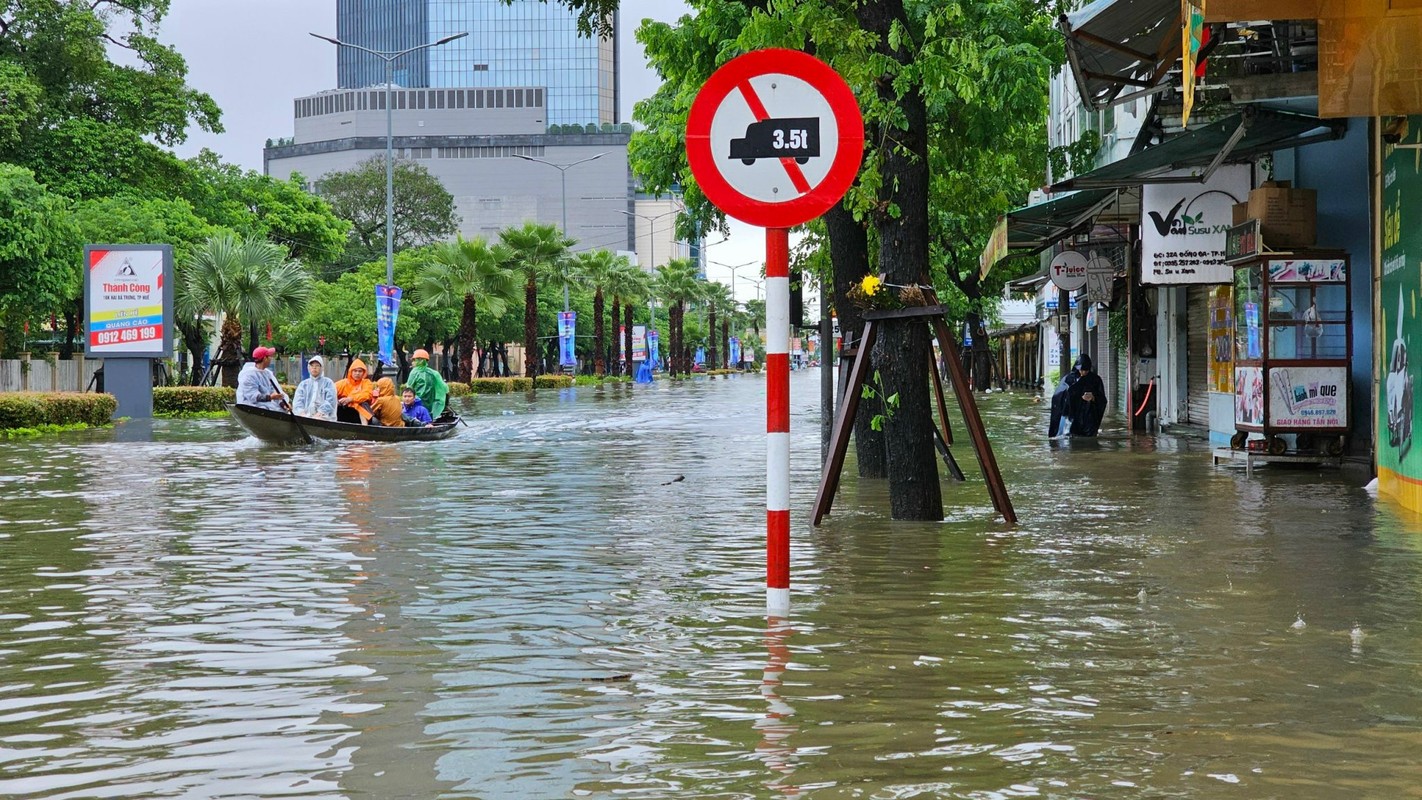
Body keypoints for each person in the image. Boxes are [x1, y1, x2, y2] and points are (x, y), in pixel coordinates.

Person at [237, 346, 289, 412]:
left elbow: (275, 391)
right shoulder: (248, 375)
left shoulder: (268, 374)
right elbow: (252, 396)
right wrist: (270, 397)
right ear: (265, 358)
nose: (271, 358)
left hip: (267, 406)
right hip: (252, 408)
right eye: (269, 356)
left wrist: (283, 404)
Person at [1066, 355, 1108, 437]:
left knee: (1090, 438)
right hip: (1075, 415)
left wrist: (1093, 398)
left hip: (1090, 415)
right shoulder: (1070, 379)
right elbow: (1064, 397)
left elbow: (1103, 400)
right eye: (1082, 370)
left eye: (1086, 370)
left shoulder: (1096, 380)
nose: (1084, 372)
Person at [405, 348, 449, 419]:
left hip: (416, 403)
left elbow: (408, 388)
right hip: (430, 404)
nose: (412, 362)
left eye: (414, 360)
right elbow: (445, 389)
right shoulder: (434, 373)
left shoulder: (414, 372)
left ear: (420, 360)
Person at [292, 355, 336, 419]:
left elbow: (330, 401)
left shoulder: (328, 383)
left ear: (322, 367)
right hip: (304, 418)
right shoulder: (303, 384)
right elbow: (298, 401)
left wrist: (319, 413)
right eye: (312, 366)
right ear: (309, 368)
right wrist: (302, 414)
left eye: (317, 366)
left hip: (325, 419)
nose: (314, 368)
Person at [335, 358, 375, 424]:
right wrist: (339, 401)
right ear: (351, 372)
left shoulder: (367, 383)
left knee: (363, 403)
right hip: (344, 412)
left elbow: (367, 395)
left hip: (360, 414)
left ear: (363, 373)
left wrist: (351, 399)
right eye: (355, 371)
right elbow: (331, 391)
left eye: (360, 371)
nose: (357, 373)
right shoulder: (343, 383)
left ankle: (364, 428)